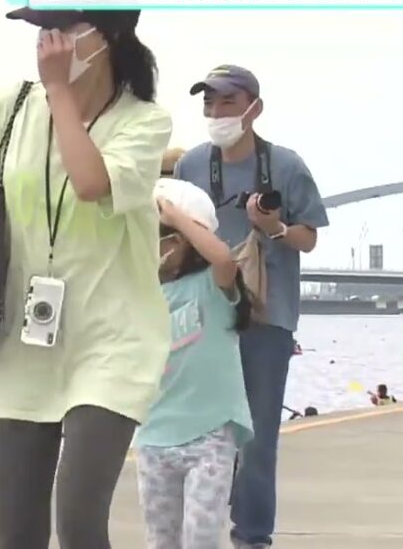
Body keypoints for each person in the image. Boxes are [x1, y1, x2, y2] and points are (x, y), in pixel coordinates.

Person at [0, 8, 171, 548]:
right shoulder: (13, 105)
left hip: (111, 341)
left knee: (77, 515)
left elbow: (92, 182)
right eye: (44, 32)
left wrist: (60, 95)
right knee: (17, 528)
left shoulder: (144, 122)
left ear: (106, 37)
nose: (51, 43)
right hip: (24, 343)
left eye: (67, 30)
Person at [173, 64, 329, 549]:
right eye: (209, 104)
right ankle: (197, 534)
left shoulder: (286, 165)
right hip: (204, 316)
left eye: (227, 103)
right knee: (198, 435)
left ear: (254, 108)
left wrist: (275, 226)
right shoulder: (192, 165)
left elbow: (309, 239)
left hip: (268, 319)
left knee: (258, 440)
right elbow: (175, 239)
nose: (216, 113)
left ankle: (253, 538)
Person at [136, 178, 254, 549]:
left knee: (201, 538)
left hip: (211, 435)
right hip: (155, 437)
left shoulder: (211, 285)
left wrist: (177, 216)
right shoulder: (141, 294)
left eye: (161, 235)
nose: (153, 245)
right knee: (162, 540)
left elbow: (223, 258)